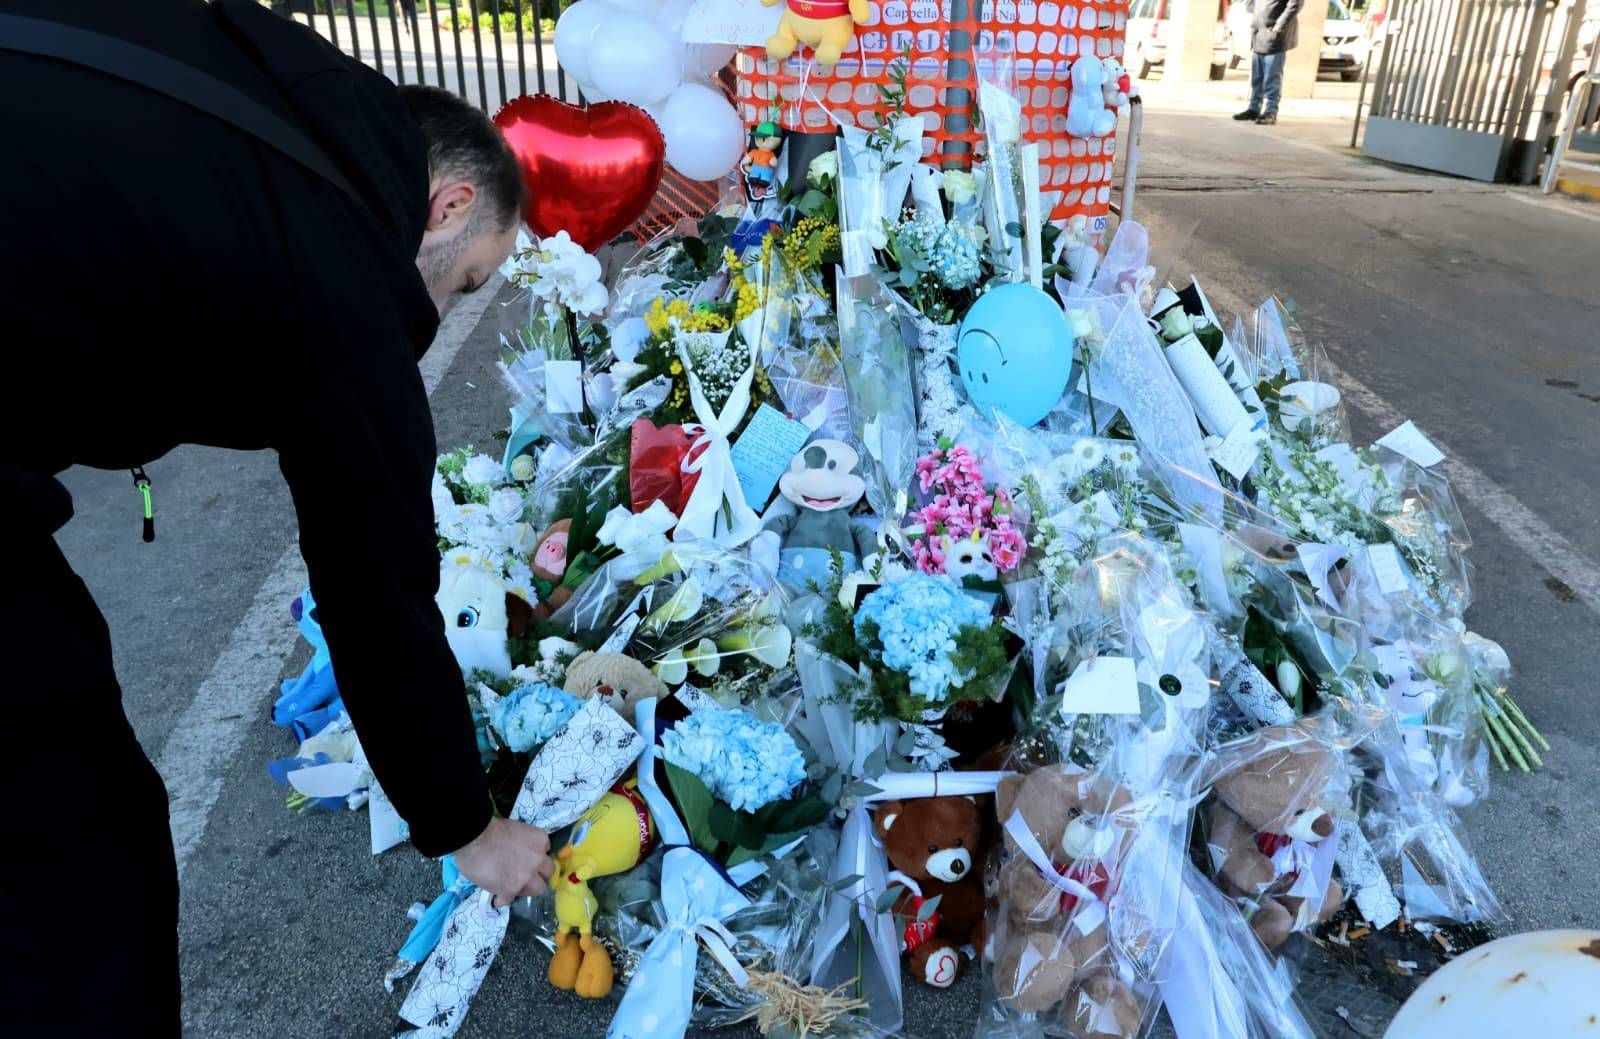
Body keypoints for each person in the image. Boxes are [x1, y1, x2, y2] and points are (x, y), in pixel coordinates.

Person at [0, 1, 551, 1034]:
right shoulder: (345, 256)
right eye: (467, 280)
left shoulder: (272, 98)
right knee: (73, 853)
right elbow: (376, 583)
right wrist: (466, 827)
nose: (437, 320)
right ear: (446, 203)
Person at [1234, 0, 1303, 125]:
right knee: (1257, 77)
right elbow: (1250, 7)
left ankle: (1271, 111)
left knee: (1272, 76)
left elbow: (1296, 4)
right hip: (1259, 33)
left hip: (1275, 33)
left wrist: (1279, 23)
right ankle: (1254, 108)